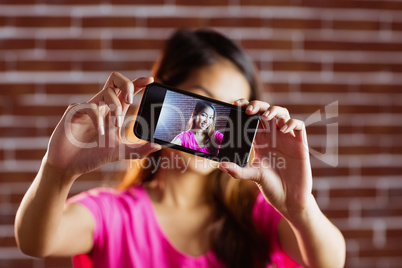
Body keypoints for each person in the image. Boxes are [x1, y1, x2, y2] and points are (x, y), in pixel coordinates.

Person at [15, 29, 346, 268]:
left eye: (231, 110)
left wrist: (300, 208)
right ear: (165, 100)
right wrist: (57, 171)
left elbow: (330, 262)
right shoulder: (114, 215)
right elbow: (35, 241)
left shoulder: (260, 214)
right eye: (203, 102)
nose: (212, 122)